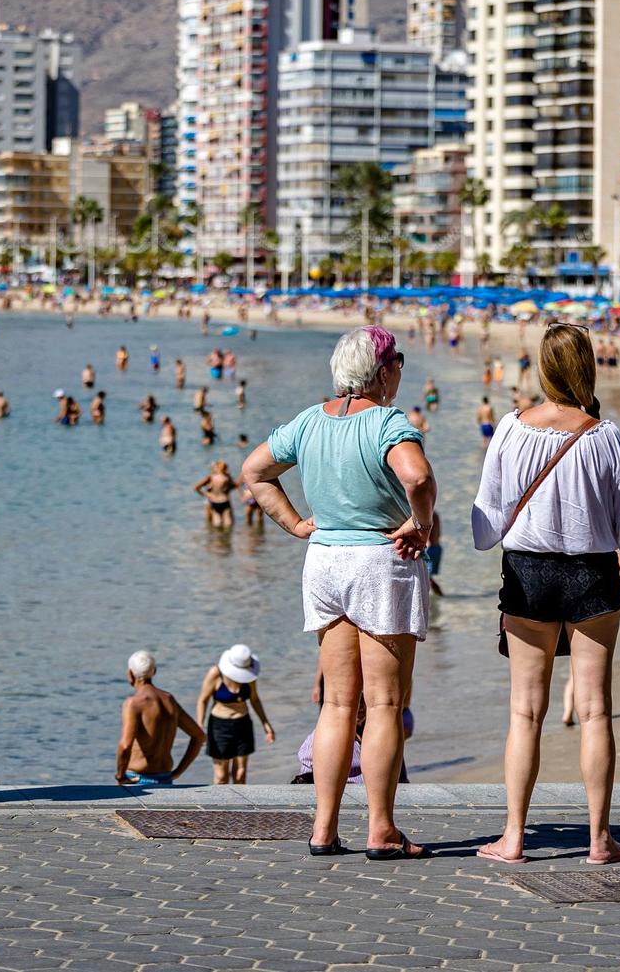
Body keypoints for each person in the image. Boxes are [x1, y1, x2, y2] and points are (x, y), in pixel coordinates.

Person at [241, 325, 436, 859]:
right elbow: (416, 478)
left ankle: (323, 828)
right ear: (383, 371)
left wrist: (295, 523)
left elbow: (255, 471)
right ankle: (381, 829)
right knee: (385, 703)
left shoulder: (309, 420)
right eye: (398, 362)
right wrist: (422, 523)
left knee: (336, 706)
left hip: (324, 562)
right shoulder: (388, 422)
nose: (400, 371)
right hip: (379, 561)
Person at [471, 323, 620, 866]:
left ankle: (514, 838)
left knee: (525, 712)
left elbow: (485, 521)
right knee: (594, 712)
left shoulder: (512, 428)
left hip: (527, 572)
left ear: (542, 370)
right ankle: (599, 841)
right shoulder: (605, 434)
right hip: (592, 572)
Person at [116, 651, 204, 786]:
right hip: (165, 778)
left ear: (130, 673)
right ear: (154, 671)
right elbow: (199, 736)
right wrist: (178, 772)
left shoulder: (134, 703)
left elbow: (125, 745)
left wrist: (120, 776)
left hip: (136, 780)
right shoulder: (169, 700)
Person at [194, 644, 276, 785]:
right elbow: (202, 700)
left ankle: (240, 806)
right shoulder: (216, 673)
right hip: (220, 727)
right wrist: (200, 726)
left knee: (240, 774)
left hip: (243, 724)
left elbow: (254, 699)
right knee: (221, 777)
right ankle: (219, 806)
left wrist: (265, 723)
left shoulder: (250, 675)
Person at [194, 459, 237, 530]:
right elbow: (196, 487)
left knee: (221, 525)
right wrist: (206, 494)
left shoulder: (225, 477)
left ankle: (215, 538)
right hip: (216, 502)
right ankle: (219, 538)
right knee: (223, 525)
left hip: (219, 501)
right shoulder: (214, 477)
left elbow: (196, 487)